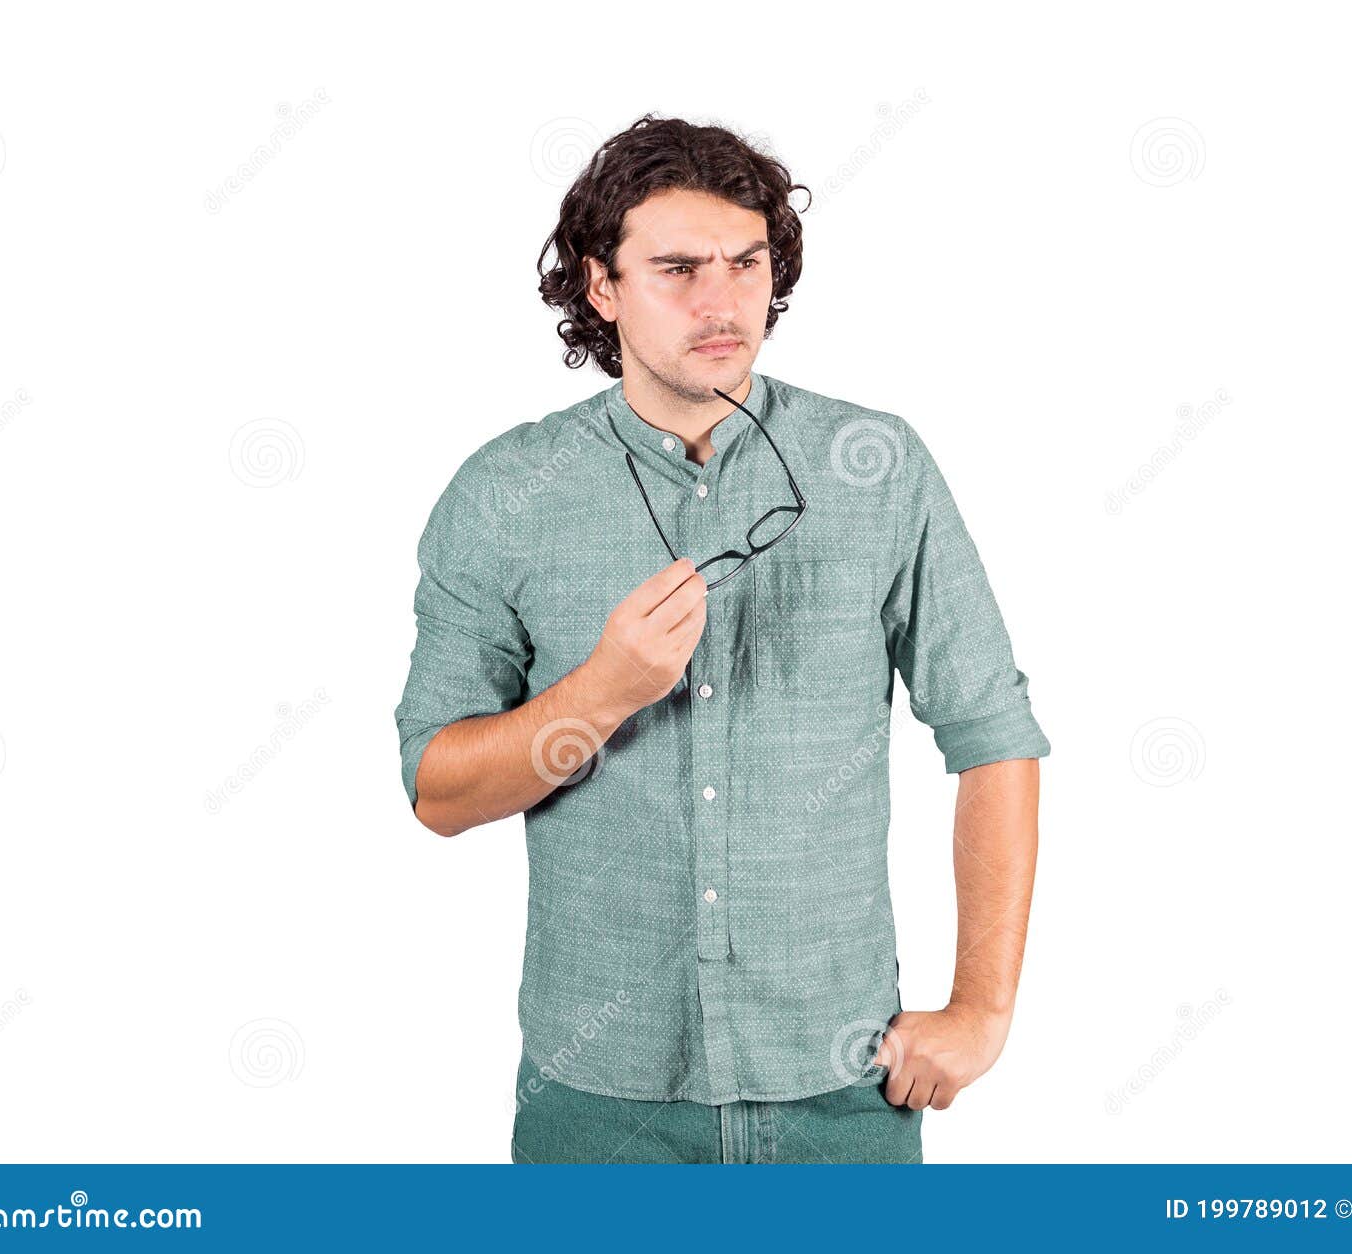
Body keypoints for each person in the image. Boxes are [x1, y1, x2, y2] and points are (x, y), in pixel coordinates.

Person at [393, 114, 1050, 1164]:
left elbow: (993, 736)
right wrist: (602, 690)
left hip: (844, 1090)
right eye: (677, 269)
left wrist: (979, 1009)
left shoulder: (874, 466)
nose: (721, 302)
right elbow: (436, 792)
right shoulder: (505, 495)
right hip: (600, 1105)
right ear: (601, 287)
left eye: (746, 265)